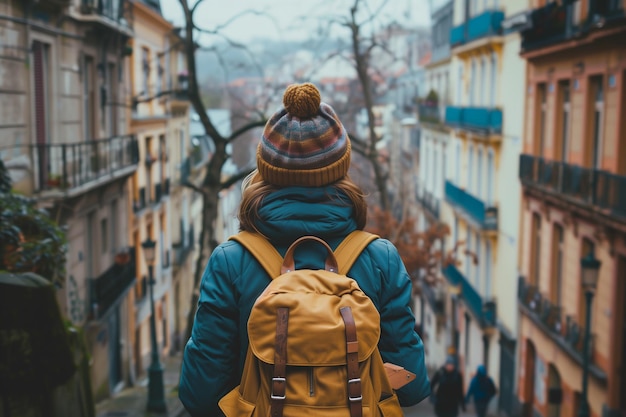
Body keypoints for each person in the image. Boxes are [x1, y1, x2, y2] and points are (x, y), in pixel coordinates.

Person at [178, 82, 431, 416]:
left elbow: (199, 395)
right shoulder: (379, 259)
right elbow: (412, 387)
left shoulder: (231, 262)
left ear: (265, 169)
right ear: (341, 167)